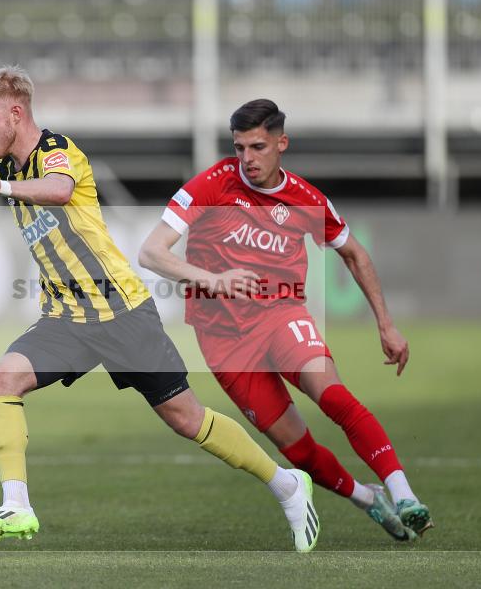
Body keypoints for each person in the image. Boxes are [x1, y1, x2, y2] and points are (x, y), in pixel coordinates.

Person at [0, 68, 321, 552]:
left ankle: (287, 485)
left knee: (187, 419)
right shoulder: (9, 172)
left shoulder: (57, 151)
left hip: (120, 310)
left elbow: (58, 189)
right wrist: (0, 186)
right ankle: (18, 505)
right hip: (67, 319)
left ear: (16, 113)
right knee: (2, 379)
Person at [139, 99, 432, 541]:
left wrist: (386, 324)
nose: (247, 159)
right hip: (223, 340)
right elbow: (151, 252)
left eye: (257, 147)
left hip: (281, 315)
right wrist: (212, 280)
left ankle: (404, 492)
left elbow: (353, 253)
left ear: (281, 143)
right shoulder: (212, 186)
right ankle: (366, 498)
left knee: (332, 397)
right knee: (298, 450)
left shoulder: (306, 199)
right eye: (239, 148)